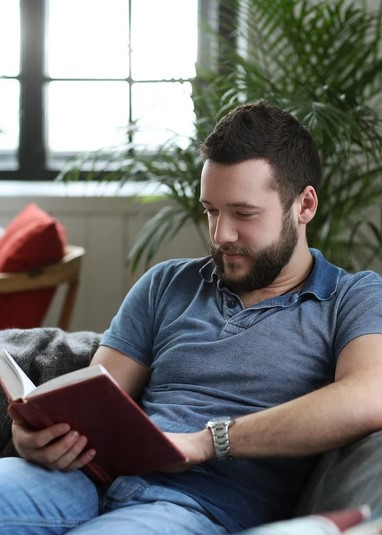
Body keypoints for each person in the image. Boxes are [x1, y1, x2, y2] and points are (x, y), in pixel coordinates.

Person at [1, 100, 382, 535]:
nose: (221, 235)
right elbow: (93, 398)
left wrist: (208, 442)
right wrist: (34, 437)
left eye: (244, 214)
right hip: (83, 480)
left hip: (191, 508)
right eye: (211, 210)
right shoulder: (167, 283)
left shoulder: (352, 298)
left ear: (305, 206)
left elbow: (370, 397)